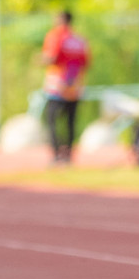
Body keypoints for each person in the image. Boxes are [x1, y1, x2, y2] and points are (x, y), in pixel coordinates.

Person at [38, 10, 90, 164]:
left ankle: (56, 154)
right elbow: (85, 63)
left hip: (57, 86)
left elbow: (51, 57)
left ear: (59, 20)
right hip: (74, 86)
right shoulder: (79, 40)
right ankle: (68, 155)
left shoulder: (55, 36)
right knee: (70, 122)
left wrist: (41, 60)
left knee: (52, 120)